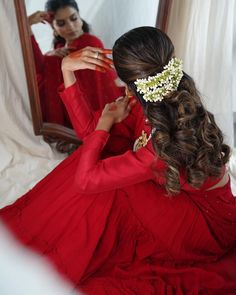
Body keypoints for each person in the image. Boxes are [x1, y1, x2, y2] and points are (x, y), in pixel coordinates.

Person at [1, 26, 236, 294]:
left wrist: (104, 125)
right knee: (101, 154)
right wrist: (67, 71)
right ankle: (46, 233)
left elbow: (86, 180)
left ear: (132, 82)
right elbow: (92, 136)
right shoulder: (160, 101)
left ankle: (53, 246)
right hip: (192, 199)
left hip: (204, 228)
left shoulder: (158, 143)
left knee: (104, 179)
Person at [28, 0, 123, 127]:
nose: (71, 27)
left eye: (74, 19)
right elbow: (40, 67)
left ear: (80, 18)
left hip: (94, 115)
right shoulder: (60, 48)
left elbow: (93, 92)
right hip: (75, 114)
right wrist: (28, 25)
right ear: (53, 27)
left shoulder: (90, 42)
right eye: (61, 23)